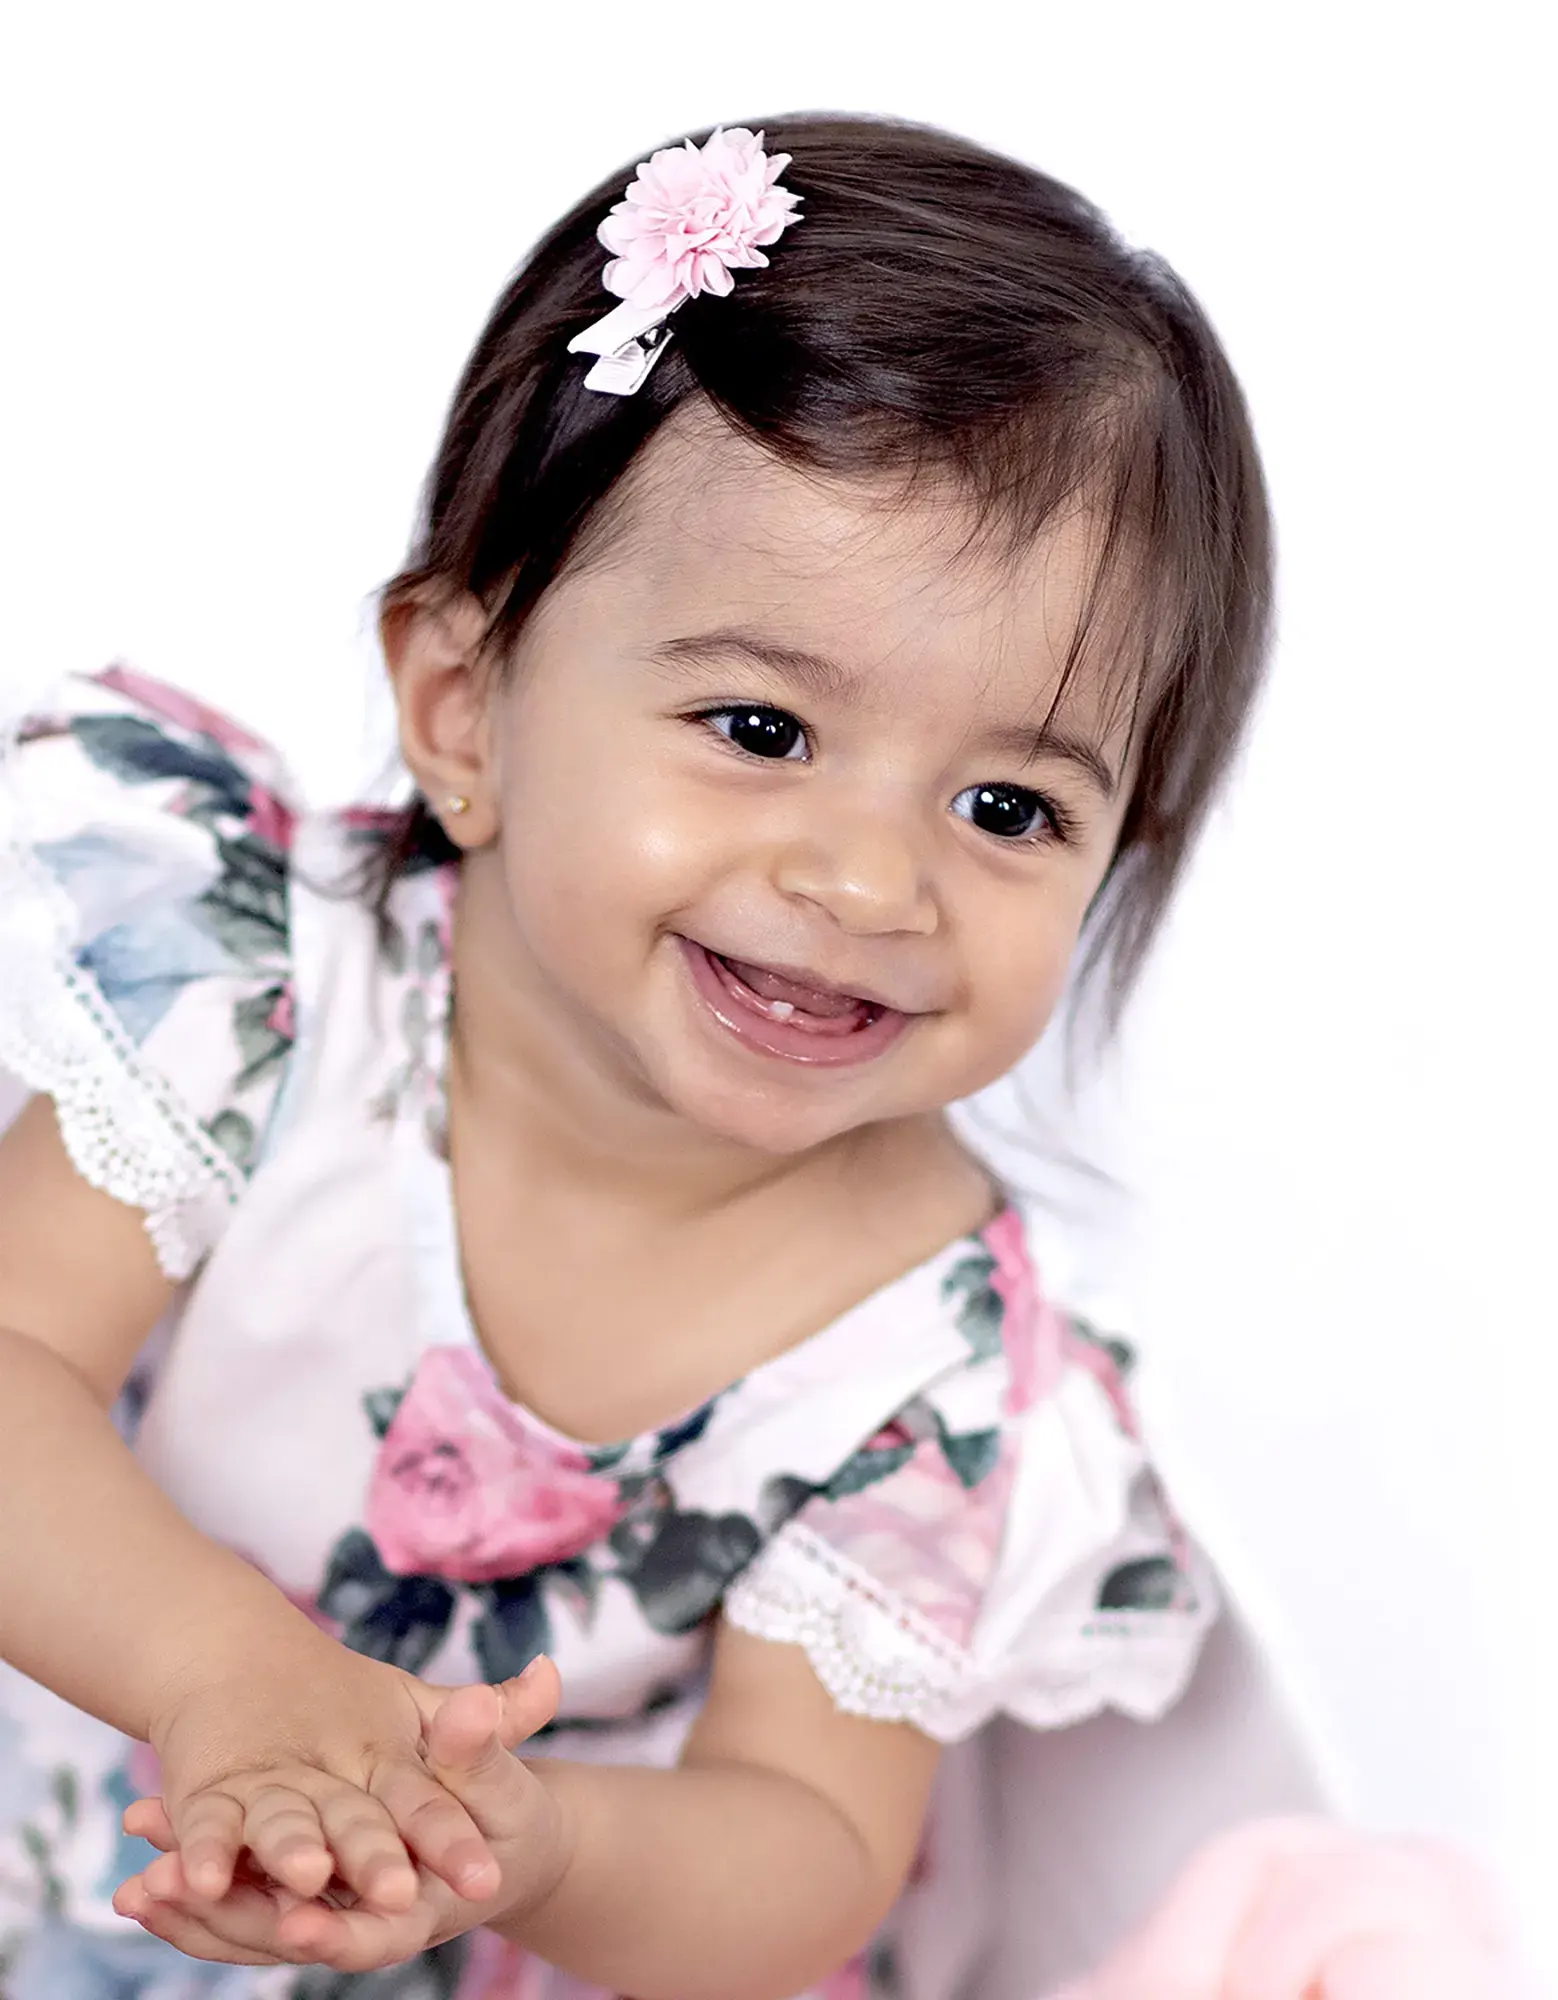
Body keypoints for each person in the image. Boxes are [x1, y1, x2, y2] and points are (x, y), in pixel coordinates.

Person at [0, 113, 1272, 2000]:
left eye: (1009, 803)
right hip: (97, 1825)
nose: (867, 876)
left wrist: (537, 1840)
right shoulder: (262, 1000)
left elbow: (814, 1844)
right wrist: (226, 1675)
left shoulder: (935, 1364)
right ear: (464, 708)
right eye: (760, 727)